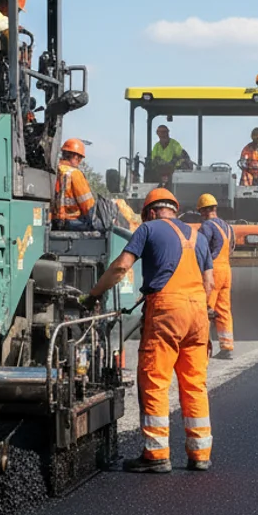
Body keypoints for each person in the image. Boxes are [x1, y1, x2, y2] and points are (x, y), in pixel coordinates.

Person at [81, 188, 216, 473]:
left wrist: (93, 294)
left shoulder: (148, 229)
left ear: (151, 212)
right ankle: (200, 454)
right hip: (199, 314)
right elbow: (209, 283)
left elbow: (121, 268)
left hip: (168, 311)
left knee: (155, 379)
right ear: (174, 209)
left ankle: (156, 455)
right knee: (194, 384)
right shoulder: (199, 237)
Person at [197, 193, 235, 359]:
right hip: (227, 270)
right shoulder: (227, 226)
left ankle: (201, 347)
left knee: (205, 308)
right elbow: (231, 247)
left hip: (214, 271)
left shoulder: (207, 226)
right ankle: (227, 346)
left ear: (203, 211)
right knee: (223, 309)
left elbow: (201, 250)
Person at [54, 138, 98, 230]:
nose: (79, 161)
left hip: (54, 222)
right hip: (72, 223)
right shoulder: (75, 174)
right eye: (80, 158)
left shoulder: (54, 171)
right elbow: (88, 206)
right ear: (75, 156)